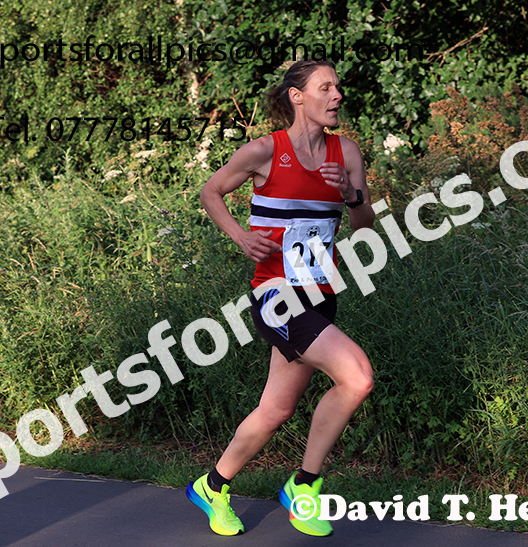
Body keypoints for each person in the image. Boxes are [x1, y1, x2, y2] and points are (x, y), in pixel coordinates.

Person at [186, 58, 375, 537]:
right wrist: (241, 237)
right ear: (297, 96)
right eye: (325, 88)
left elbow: (365, 228)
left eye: (338, 88)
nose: (337, 96)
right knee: (357, 377)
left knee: (276, 410)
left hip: (320, 293)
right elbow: (211, 192)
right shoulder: (265, 151)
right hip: (276, 294)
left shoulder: (346, 152)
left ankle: (212, 485)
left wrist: (351, 196)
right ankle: (304, 486)